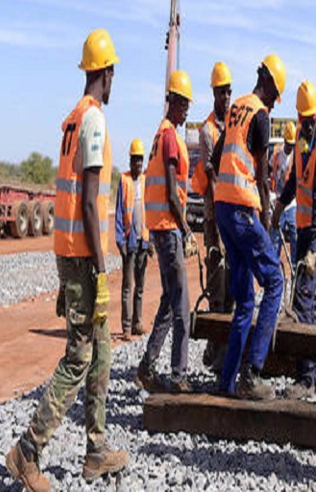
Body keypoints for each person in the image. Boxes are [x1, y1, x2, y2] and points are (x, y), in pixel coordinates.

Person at [6, 29, 129, 490]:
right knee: (78, 356)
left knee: (101, 351)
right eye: (113, 73)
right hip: (82, 257)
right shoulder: (93, 120)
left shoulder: (71, 121)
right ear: (107, 73)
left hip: (69, 252)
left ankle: (96, 451)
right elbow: (91, 196)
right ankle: (26, 451)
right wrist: (101, 269)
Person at [211, 54, 286, 400]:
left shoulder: (235, 107)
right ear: (269, 83)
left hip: (224, 210)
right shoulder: (259, 114)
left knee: (244, 302)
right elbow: (262, 179)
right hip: (242, 210)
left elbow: (215, 159)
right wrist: (267, 223)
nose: (273, 102)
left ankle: (226, 382)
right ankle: (252, 373)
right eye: (275, 95)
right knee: (274, 281)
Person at [273, 81, 316, 399]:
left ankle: (308, 377)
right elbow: (293, 182)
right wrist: (279, 208)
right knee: (301, 298)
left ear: (315, 115)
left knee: (303, 298)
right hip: (301, 228)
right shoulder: (300, 141)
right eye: (304, 118)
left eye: (311, 118)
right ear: (299, 116)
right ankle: (314, 376)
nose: (307, 123)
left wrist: (312, 249)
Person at [136, 69, 196, 394]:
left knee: (169, 299)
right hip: (168, 228)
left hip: (160, 228)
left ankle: (147, 366)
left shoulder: (160, 134)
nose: (186, 110)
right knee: (182, 304)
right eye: (182, 103)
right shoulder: (170, 136)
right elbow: (172, 193)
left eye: (188, 104)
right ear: (170, 101)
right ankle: (178, 375)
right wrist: (187, 230)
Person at [191, 61, 234, 374]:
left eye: (229, 91)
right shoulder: (208, 132)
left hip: (231, 216)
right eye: (222, 92)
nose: (227, 97)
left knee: (231, 285)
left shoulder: (232, 126)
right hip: (214, 218)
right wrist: (222, 220)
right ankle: (217, 353)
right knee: (218, 286)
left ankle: (217, 348)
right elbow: (214, 177)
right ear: (214, 94)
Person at [115, 138, 150, 341]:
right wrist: (120, 240)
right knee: (127, 286)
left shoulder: (145, 181)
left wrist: (150, 240)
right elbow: (120, 211)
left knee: (140, 286)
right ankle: (126, 327)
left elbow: (149, 211)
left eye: (140, 160)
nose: (137, 163)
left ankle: (137, 323)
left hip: (143, 240)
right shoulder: (124, 180)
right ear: (130, 161)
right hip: (129, 241)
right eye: (134, 159)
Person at [269, 121, 298, 268]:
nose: (289, 147)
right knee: (275, 238)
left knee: (295, 237)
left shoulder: (296, 158)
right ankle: (274, 268)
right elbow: (269, 172)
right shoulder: (276, 155)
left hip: (291, 205)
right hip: (277, 204)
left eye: (292, 145)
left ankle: (295, 268)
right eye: (288, 144)